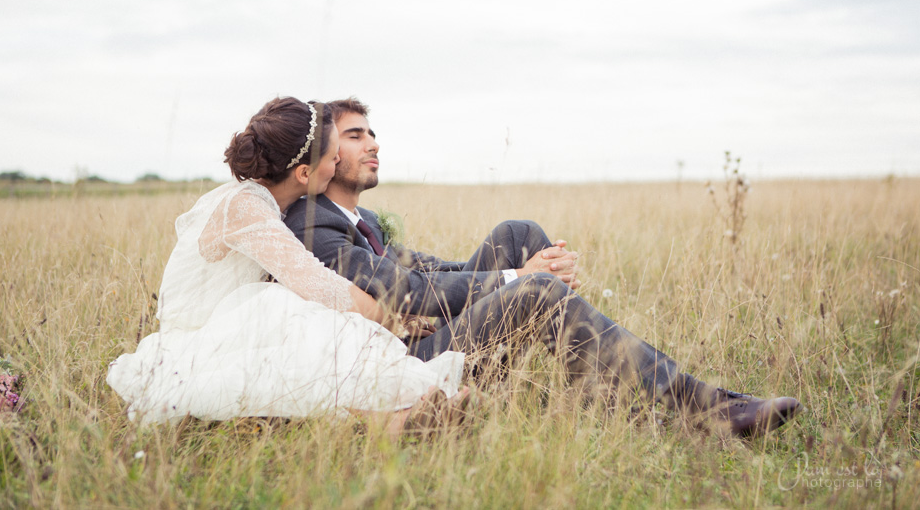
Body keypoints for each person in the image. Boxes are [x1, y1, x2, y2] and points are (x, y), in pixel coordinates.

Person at [284, 98, 804, 437]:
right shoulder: (312, 221)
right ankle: (707, 408)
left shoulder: (363, 216)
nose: (373, 143)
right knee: (535, 292)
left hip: (422, 336)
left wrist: (524, 265)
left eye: (372, 132)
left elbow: (432, 270)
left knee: (517, 234)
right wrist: (520, 281)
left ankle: (607, 396)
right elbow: (408, 293)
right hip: (397, 364)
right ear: (325, 153)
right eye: (355, 136)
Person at [107, 97, 468, 434]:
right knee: (293, 312)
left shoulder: (272, 203)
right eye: (333, 157)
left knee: (298, 316)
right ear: (304, 174)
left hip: (243, 319)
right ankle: (395, 416)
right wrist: (394, 321)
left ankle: (395, 414)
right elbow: (318, 282)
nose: (339, 162)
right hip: (204, 333)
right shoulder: (246, 207)